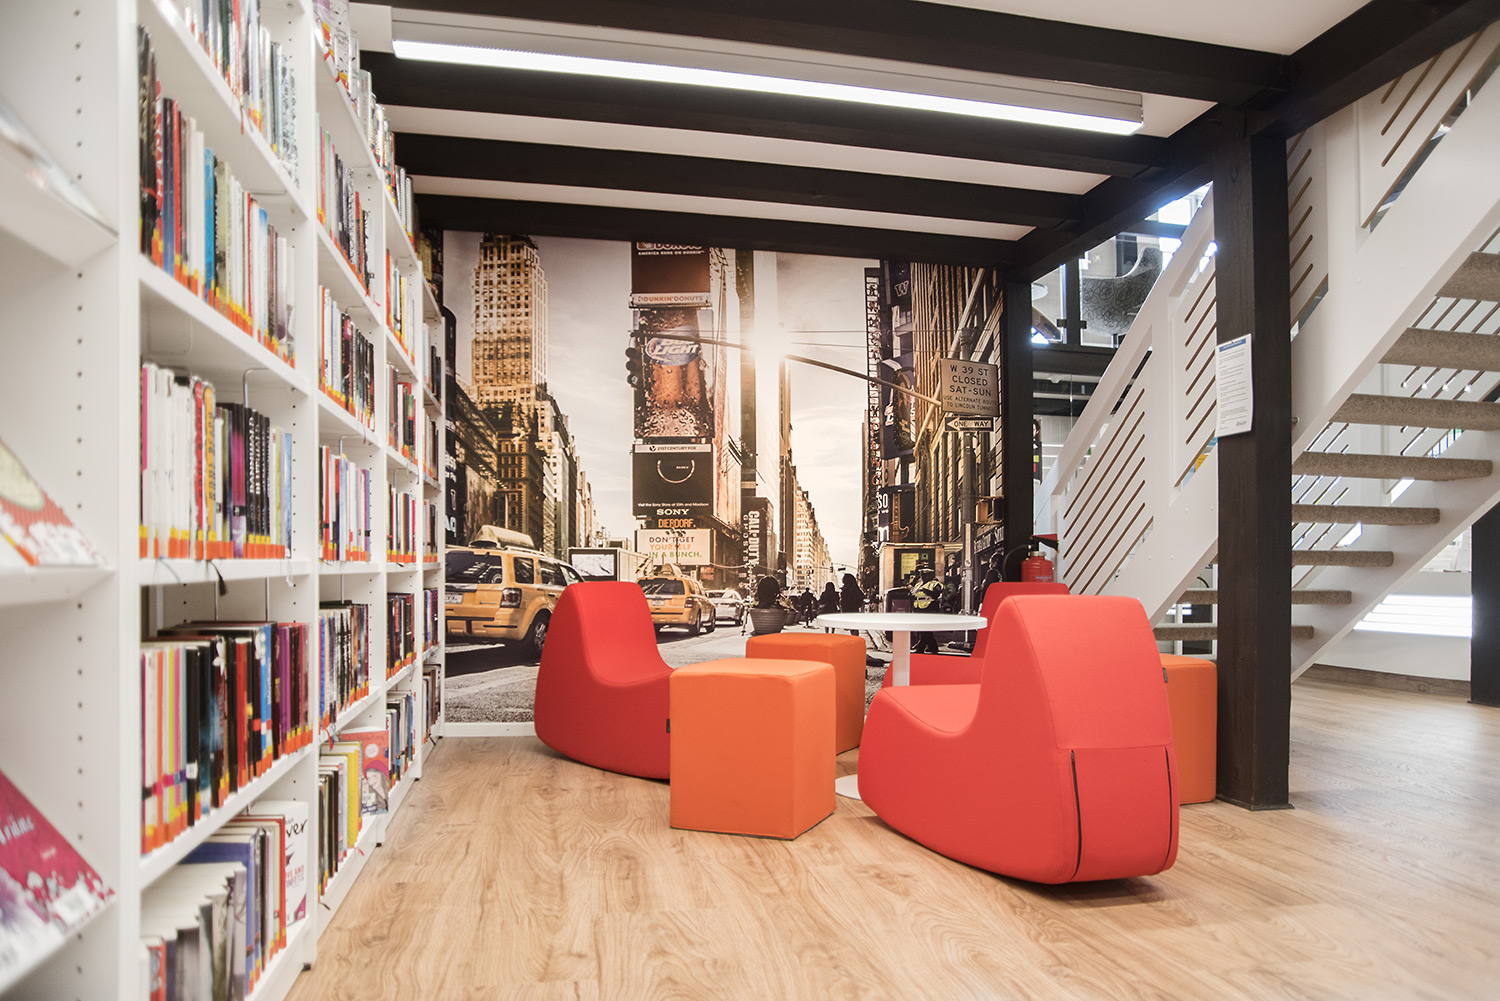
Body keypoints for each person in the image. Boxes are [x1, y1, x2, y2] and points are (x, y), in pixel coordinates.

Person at [910, 565, 944, 654]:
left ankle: (920, 648)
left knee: (924, 629)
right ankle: (933, 647)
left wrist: (925, 590)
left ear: (930, 575)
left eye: (925, 575)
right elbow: (913, 594)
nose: (923, 577)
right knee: (925, 629)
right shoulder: (918, 584)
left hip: (929, 608)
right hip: (919, 609)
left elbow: (936, 594)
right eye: (922, 575)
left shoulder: (935, 584)